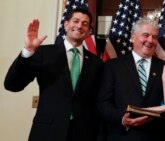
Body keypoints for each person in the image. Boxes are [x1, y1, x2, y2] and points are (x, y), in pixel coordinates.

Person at [4, 8, 103, 141]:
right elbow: (12, 85)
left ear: (89, 31)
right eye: (76, 21)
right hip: (47, 132)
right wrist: (28, 51)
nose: (79, 26)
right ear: (66, 24)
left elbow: (97, 100)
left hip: (83, 133)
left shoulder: (96, 62)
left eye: (85, 24)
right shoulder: (44, 53)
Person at [96, 16, 165, 141]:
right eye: (145, 35)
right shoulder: (113, 66)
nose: (150, 40)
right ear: (133, 36)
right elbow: (103, 103)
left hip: (156, 136)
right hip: (122, 136)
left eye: (154, 37)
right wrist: (122, 119)